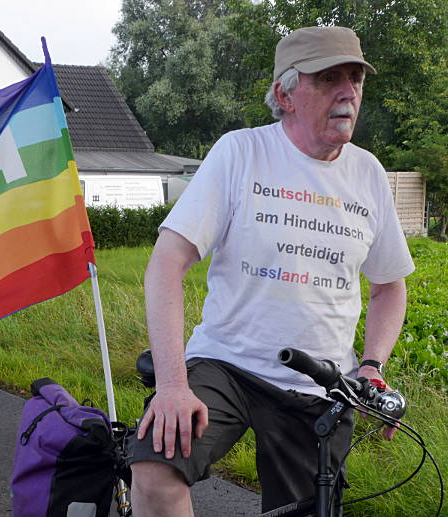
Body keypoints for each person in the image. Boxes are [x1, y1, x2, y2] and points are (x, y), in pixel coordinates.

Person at [127, 26, 415, 516]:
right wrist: (174, 386)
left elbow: (389, 286)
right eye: (328, 79)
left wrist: (372, 366)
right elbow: (166, 262)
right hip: (227, 364)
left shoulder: (367, 173)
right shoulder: (241, 152)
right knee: (156, 469)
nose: (348, 92)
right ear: (285, 93)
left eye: (355, 78)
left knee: (307, 509)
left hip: (319, 382)